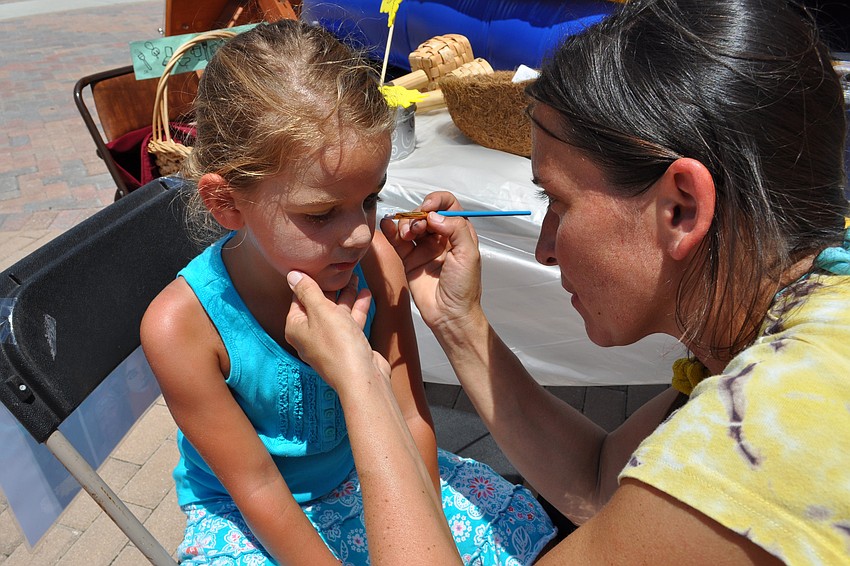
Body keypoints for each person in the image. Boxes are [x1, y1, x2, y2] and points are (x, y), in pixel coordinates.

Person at [284, 0, 850, 563]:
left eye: (556, 201)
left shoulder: (770, 427)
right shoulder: (809, 304)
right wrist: (458, 322)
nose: (544, 249)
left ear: (680, 208)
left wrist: (363, 387)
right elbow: (600, 483)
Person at [140, 19, 555, 566]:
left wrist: (428, 535)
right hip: (255, 518)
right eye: (320, 213)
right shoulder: (183, 328)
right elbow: (259, 488)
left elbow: (409, 420)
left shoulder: (378, 263)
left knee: (514, 530)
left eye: (370, 199)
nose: (361, 232)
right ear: (226, 202)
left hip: (374, 471)